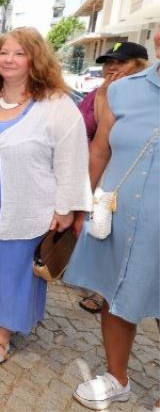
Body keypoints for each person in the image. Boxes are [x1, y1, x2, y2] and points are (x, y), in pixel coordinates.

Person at [0, 27, 92, 364]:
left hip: (28, 210)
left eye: (19, 53)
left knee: (14, 272)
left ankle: (5, 332)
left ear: (36, 59)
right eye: (4, 52)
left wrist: (67, 208)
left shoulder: (56, 106)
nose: (9, 59)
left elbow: (73, 160)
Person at [63, 59, 159, 410]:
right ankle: (118, 378)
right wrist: (79, 204)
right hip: (117, 217)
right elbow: (100, 150)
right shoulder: (122, 90)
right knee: (114, 295)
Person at [76, 41, 148, 315]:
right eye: (109, 63)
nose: (112, 68)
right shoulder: (96, 94)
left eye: (121, 62)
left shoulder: (136, 99)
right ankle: (98, 284)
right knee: (101, 234)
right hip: (93, 172)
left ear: (141, 67)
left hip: (123, 178)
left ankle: (109, 293)